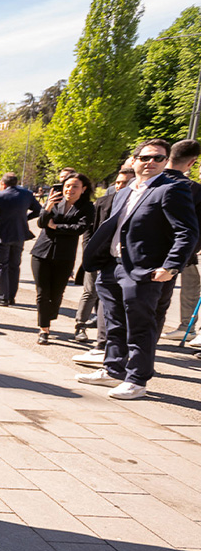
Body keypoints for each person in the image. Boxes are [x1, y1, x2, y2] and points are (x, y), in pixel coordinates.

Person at [76, 138, 199, 400]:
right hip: (112, 267)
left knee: (140, 327)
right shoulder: (125, 190)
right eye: (145, 158)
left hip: (144, 271)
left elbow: (186, 232)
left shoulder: (171, 189)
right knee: (114, 323)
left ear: (166, 162)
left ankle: (137, 380)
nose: (151, 162)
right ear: (134, 161)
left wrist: (171, 266)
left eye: (158, 158)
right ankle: (113, 369)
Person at [74, 167, 134, 353]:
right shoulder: (103, 202)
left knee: (115, 302)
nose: (120, 186)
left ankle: (108, 342)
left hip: (121, 262)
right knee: (90, 292)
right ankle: (80, 326)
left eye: (125, 183)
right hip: (98, 257)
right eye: (118, 182)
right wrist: (89, 254)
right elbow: (88, 232)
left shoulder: (136, 205)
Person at [30, 172, 92, 344]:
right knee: (42, 293)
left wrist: (56, 226)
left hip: (64, 256)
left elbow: (79, 228)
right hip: (41, 252)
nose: (70, 190)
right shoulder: (55, 202)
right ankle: (44, 329)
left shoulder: (87, 207)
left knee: (57, 294)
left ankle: (48, 316)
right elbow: (42, 223)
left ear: (83, 189)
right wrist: (48, 206)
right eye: (67, 186)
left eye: (75, 186)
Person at [158, 140, 201, 344]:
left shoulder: (145, 181)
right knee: (184, 291)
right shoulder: (192, 189)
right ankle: (187, 326)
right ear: (192, 163)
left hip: (142, 252)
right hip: (180, 253)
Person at [0, 172, 41, 306]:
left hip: (2, 234)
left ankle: (2, 297)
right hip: (19, 234)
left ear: (2, 184)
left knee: (1, 266)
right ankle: (11, 297)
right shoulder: (27, 194)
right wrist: (24, 218)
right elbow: (38, 210)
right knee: (15, 266)